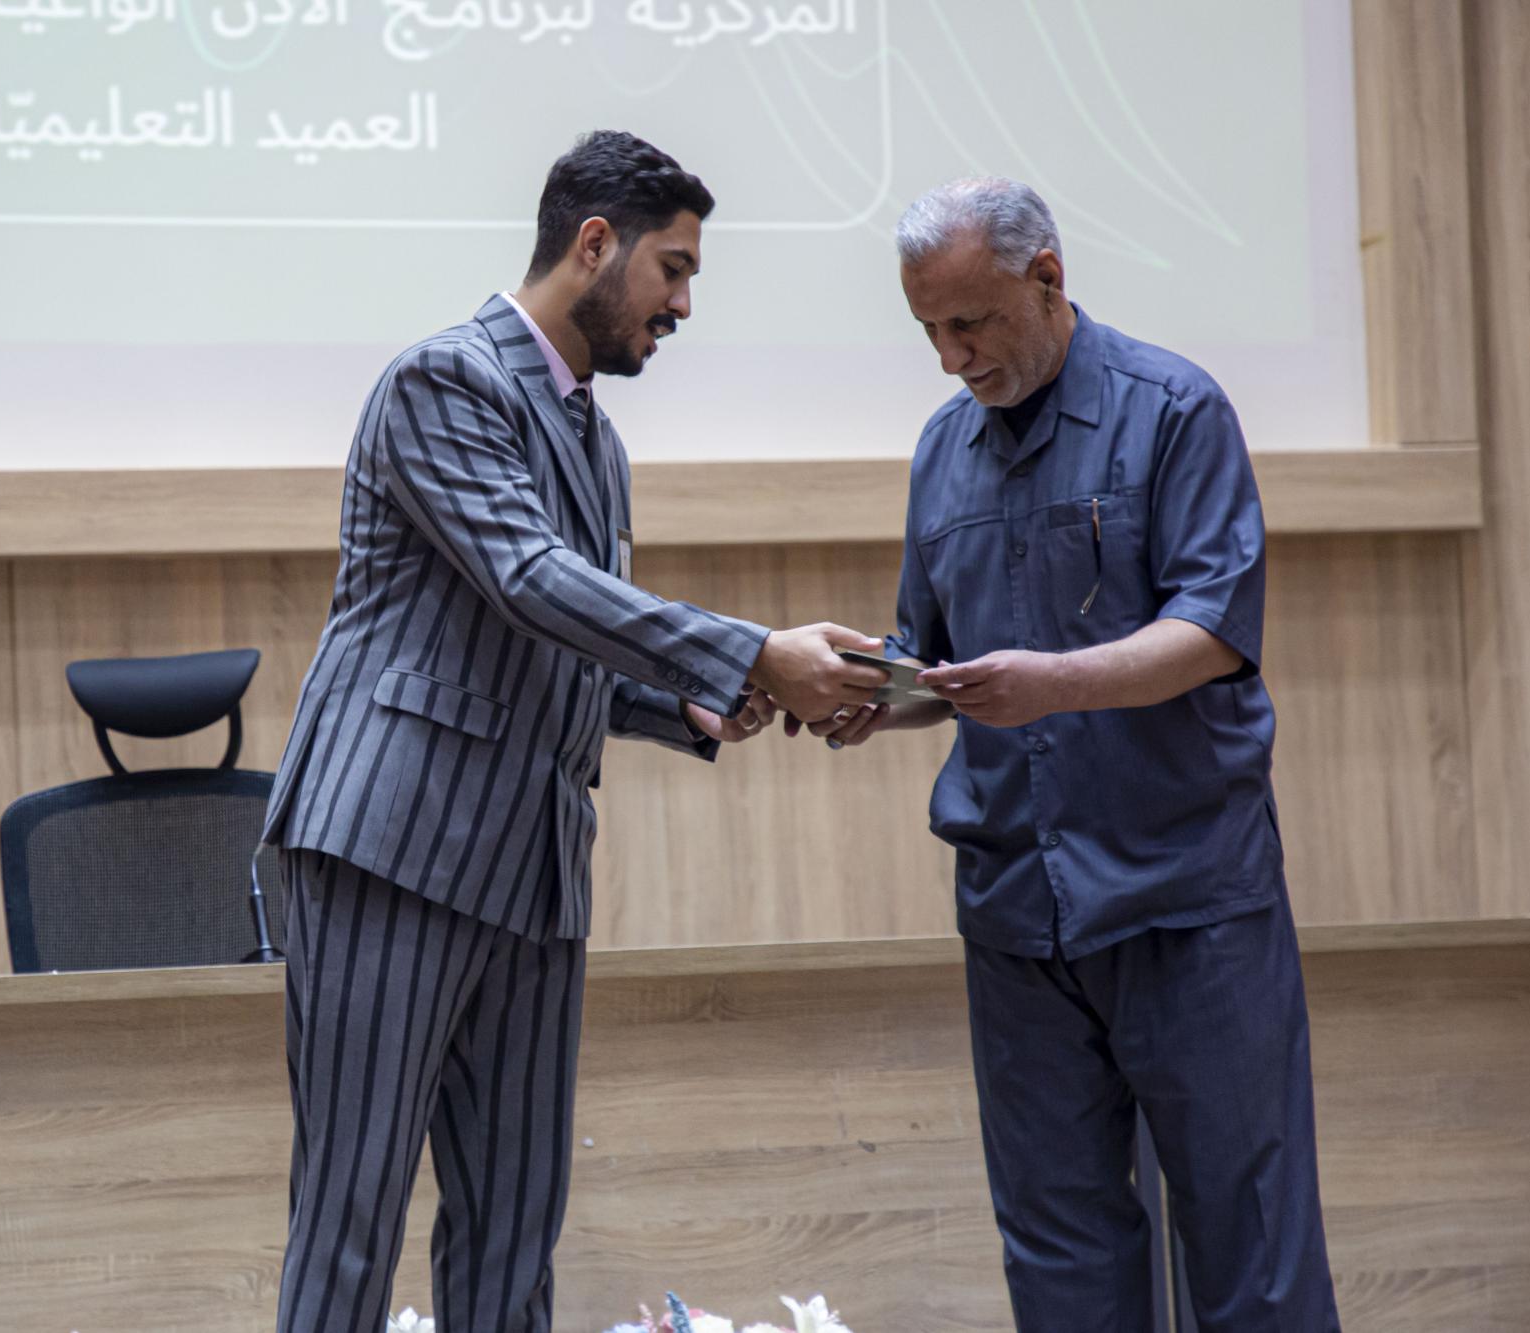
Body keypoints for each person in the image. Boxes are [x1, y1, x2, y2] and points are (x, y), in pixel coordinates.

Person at [260, 130, 888, 1332]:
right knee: (350, 1221)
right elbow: (529, 581)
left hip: (534, 868)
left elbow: (562, 648)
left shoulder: (595, 438)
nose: (683, 304)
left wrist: (692, 701)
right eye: (672, 268)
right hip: (392, 848)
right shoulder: (443, 380)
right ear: (593, 244)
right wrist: (750, 649)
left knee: (513, 1236)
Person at [798, 177, 1339, 1331]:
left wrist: (1051, 683)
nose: (950, 358)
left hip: (1184, 895)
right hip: (1014, 911)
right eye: (927, 330)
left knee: (1248, 1244)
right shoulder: (940, 449)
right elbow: (937, 665)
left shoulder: (1173, 409)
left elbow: (1212, 630)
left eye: (970, 322)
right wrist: (869, 694)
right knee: (1057, 1254)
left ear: (1045, 277)